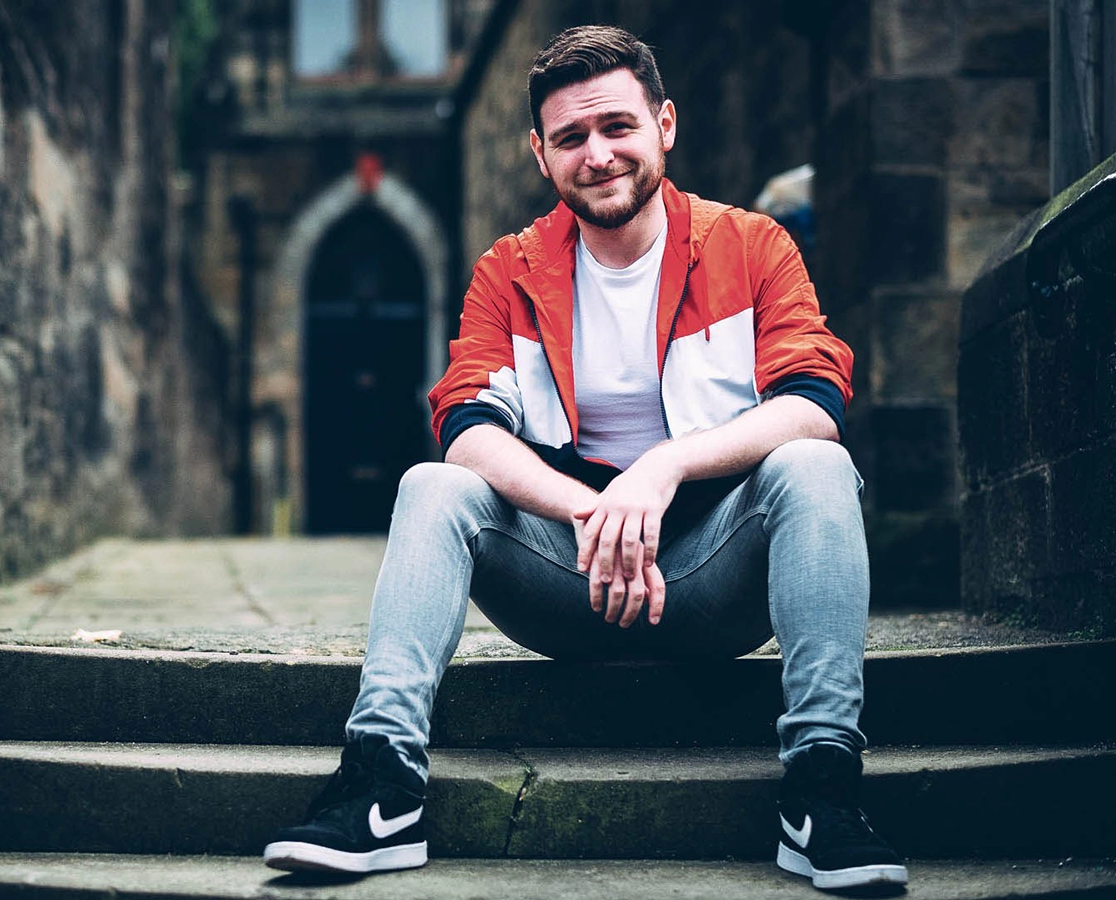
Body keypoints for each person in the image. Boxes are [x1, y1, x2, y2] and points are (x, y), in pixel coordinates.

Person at [263, 24, 908, 892]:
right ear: (540, 152)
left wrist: (665, 467)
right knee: (434, 485)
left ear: (665, 126)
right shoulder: (510, 271)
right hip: (567, 581)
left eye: (616, 127)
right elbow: (465, 423)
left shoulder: (752, 246)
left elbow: (815, 401)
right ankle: (382, 784)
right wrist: (588, 510)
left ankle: (822, 789)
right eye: (570, 138)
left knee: (816, 468)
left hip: (715, 579)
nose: (597, 155)